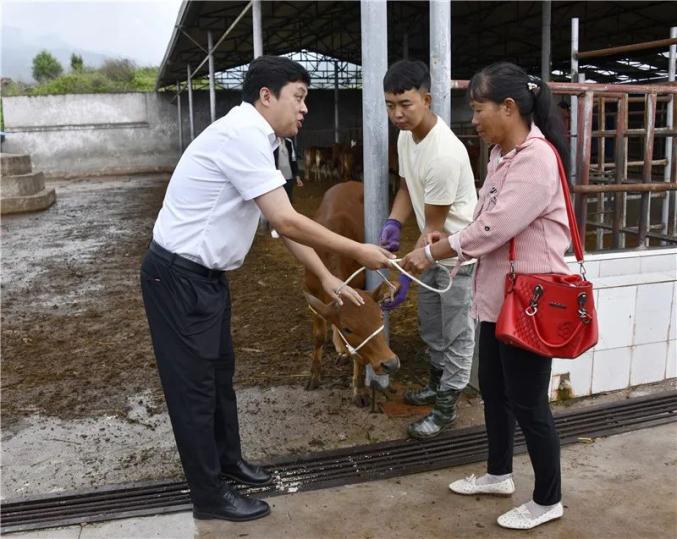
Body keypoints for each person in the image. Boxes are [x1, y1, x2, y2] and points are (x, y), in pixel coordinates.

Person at [140, 55, 394, 523]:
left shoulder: (265, 141)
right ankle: (209, 496)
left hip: (205, 279)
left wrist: (327, 276)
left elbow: (284, 230)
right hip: (178, 277)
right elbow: (286, 220)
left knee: (218, 378)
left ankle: (229, 463)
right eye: (298, 98)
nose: (304, 110)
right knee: (193, 390)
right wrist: (358, 251)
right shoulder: (242, 137)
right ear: (265, 96)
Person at [400, 62, 570, 530]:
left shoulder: (536, 158)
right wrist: (441, 238)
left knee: (530, 403)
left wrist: (436, 252)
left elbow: (495, 227)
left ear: (509, 107)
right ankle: (499, 474)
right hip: (499, 298)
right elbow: (480, 217)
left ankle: (548, 499)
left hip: (532, 303)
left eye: (478, 109)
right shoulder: (500, 155)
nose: (473, 119)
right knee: (495, 391)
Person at [380, 60, 478, 440]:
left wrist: (403, 278)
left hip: (455, 254)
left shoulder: (443, 154)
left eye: (405, 104)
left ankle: (447, 407)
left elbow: (434, 231)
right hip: (432, 247)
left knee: (456, 331)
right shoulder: (407, 137)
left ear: (427, 98)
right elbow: (406, 188)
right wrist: (393, 222)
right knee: (431, 325)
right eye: (389, 105)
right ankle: (438, 386)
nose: (397, 114)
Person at [274, 136, 303, 202]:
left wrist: (297, 177)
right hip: (277, 176)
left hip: (288, 175)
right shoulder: (272, 142)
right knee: (278, 199)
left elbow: (293, 159)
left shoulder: (289, 142)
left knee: (289, 198)